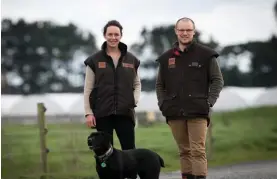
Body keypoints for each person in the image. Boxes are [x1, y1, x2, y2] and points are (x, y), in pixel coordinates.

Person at [155, 17, 224, 179]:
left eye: (188, 30)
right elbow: (159, 85)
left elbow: (218, 80)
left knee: (197, 150)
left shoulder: (206, 55)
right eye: (181, 30)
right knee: (184, 151)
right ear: (176, 31)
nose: (185, 33)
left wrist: (209, 102)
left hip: (198, 110)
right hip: (174, 111)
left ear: (194, 31)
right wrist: (163, 103)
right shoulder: (166, 58)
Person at [83, 20, 141, 150]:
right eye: (110, 34)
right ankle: (108, 172)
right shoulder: (94, 60)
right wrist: (88, 113)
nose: (113, 38)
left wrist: (133, 100)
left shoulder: (132, 60)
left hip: (125, 113)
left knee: (130, 150)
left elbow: (137, 84)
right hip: (102, 113)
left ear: (121, 36)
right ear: (104, 35)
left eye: (116, 34)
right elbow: (88, 88)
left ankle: (130, 172)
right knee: (105, 153)